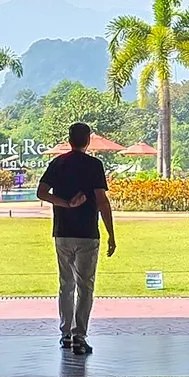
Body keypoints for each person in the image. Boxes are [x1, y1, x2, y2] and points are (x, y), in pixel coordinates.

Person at [37, 122, 115, 354]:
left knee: (66, 285)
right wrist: (111, 232)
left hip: (62, 232)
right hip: (88, 233)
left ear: (69, 139)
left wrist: (65, 204)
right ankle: (80, 335)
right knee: (85, 286)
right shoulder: (94, 165)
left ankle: (66, 334)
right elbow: (102, 201)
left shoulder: (58, 163)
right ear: (88, 140)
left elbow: (41, 192)